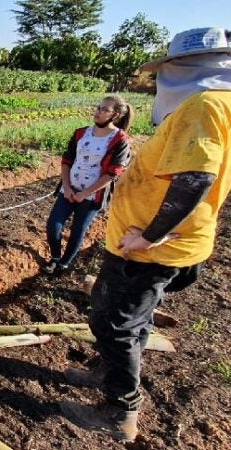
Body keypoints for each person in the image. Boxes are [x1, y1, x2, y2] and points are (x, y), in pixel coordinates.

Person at [60, 27, 231, 442]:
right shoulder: (219, 103)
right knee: (120, 315)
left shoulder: (204, 104)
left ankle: (120, 409)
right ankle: (107, 370)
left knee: (116, 324)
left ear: (184, 68)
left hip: (149, 251)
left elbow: (196, 177)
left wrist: (151, 236)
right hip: (164, 243)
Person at [43, 95, 133, 275]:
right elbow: (67, 161)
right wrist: (67, 188)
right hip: (69, 189)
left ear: (115, 115)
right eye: (98, 107)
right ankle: (55, 257)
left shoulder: (120, 140)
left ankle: (65, 264)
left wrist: (85, 193)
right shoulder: (81, 133)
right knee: (54, 225)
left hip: (92, 195)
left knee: (78, 230)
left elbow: (113, 173)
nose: (98, 111)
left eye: (104, 109)